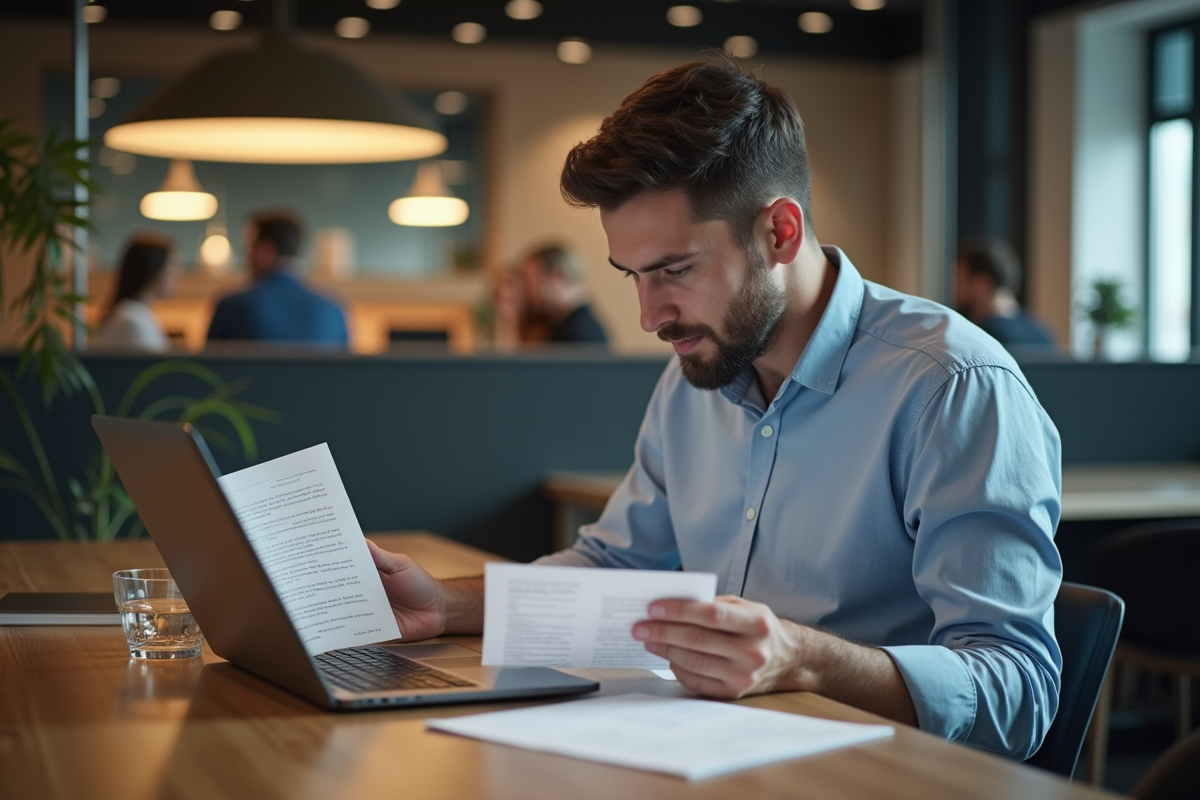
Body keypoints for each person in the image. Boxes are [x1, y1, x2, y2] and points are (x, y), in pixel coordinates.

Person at [367, 56, 1063, 760]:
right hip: (717, 759)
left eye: (674, 271)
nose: (648, 316)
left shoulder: (951, 387)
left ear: (780, 233)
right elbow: (615, 569)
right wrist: (447, 605)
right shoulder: (695, 371)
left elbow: (1019, 691)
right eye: (632, 276)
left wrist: (804, 659)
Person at [206, 211, 348, 347]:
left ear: (265, 250)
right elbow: (346, 370)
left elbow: (206, 370)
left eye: (249, 247)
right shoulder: (335, 310)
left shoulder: (231, 307)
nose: (246, 256)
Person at [493, 244, 609, 347]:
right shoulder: (559, 323)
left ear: (559, 276)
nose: (528, 291)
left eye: (532, 282)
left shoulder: (581, 335)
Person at [955, 236, 1056, 351]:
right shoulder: (1042, 333)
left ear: (981, 283)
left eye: (958, 279)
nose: (952, 288)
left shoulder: (981, 337)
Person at [93, 233, 180, 352]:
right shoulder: (132, 322)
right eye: (172, 267)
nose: (178, 276)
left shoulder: (136, 315)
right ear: (153, 269)